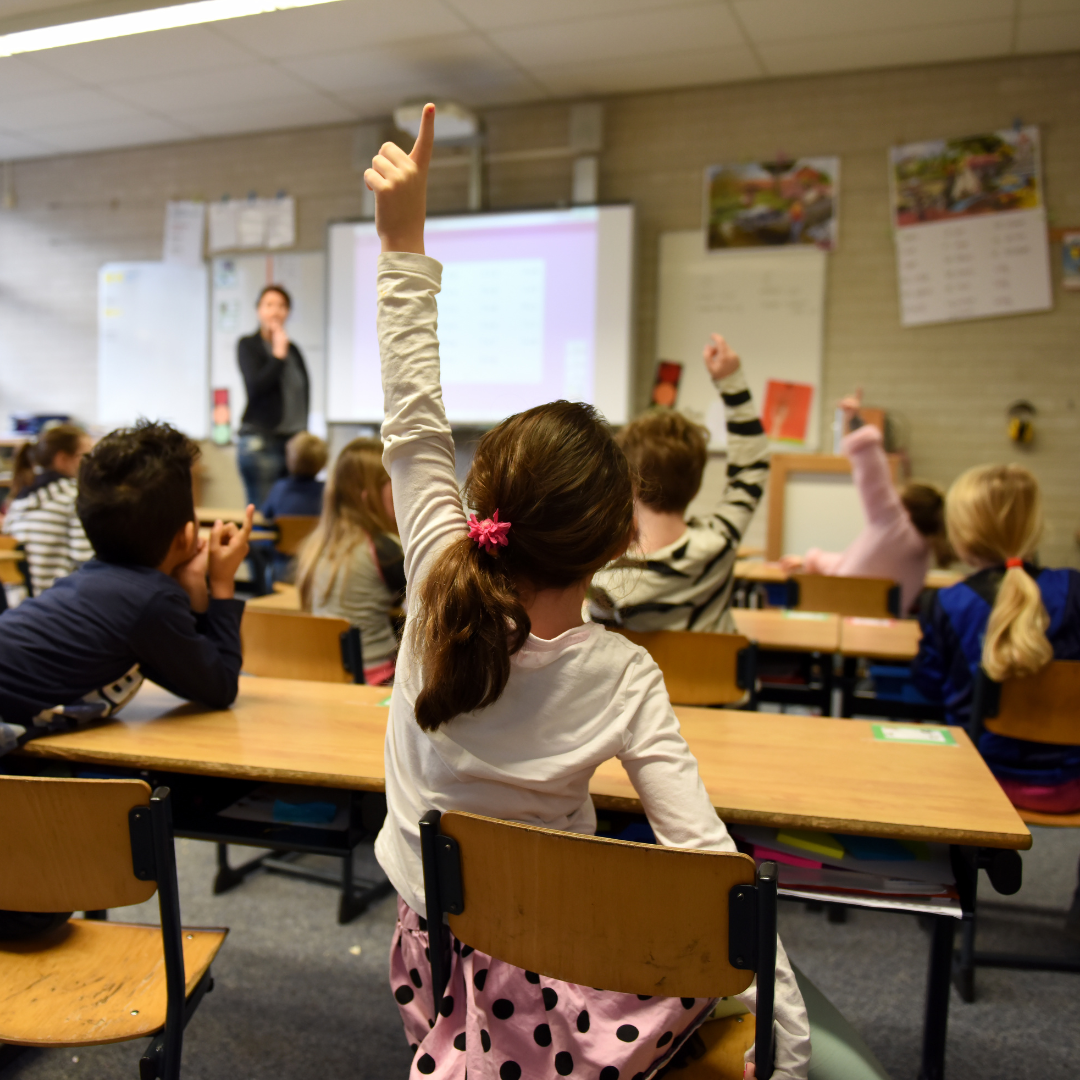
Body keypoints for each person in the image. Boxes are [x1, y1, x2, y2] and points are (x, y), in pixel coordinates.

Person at [364, 104, 809, 1080]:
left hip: (434, 956)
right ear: (611, 543)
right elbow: (707, 859)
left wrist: (403, 245)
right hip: (570, 956)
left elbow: (413, 419)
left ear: (481, 502)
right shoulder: (622, 673)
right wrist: (787, 1040)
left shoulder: (439, 578)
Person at [0, 420, 253, 759]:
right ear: (187, 534)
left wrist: (193, 585)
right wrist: (221, 583)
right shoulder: (149, 603)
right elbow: (220, 687)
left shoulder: (96, 583)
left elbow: (193, 676)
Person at [911, 464, 1080, 813]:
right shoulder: (1074, 590)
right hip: (1070, 782)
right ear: (1036, 526)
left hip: (979, 779)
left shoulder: (945, 603)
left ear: (960, 533)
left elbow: (928, 688)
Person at [588, 335, 769, 633]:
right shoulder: (718, 545)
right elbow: (753, 467)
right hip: (713, 679)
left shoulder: (605, 582)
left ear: (628, 483)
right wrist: (731, 381)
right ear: (696, 483)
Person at [779, 390, 950, 615]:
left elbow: (873, 470)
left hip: (842, 619)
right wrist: (811, 561)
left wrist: (856, 421)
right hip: (882, 634)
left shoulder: (894, 526)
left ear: (907, 507)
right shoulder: (921, 551)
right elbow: (855, 568)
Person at [296, 438, 404, 686]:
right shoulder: (383, 549)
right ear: (369, 496)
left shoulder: (318, 544)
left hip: (328, 676)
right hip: (377, 680)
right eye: (396, 482)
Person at [236, 284, 310, 508]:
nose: (275, 311)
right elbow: (256, 387)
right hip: (261, 442)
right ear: (259, 310)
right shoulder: (249, 345)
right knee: (263, 514)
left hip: (292, 444)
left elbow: (302, 393)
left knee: (287, 513)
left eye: (282, 306)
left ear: (288, 312)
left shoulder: (294, 349)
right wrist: (277, 355)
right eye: (269, 305)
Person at [3, 424, 94, 594]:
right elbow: (86, 562)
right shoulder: (74, 497)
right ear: (62, 459)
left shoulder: (20, 498)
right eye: (86, 455)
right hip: (61, 604)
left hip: (22, 606)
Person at [260, 431, 327, 522]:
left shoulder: (280, 489)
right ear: (323, 461)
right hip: (319, 536)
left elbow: (265, 516)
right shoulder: (328, 492)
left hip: (284, 536)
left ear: (290, 459)